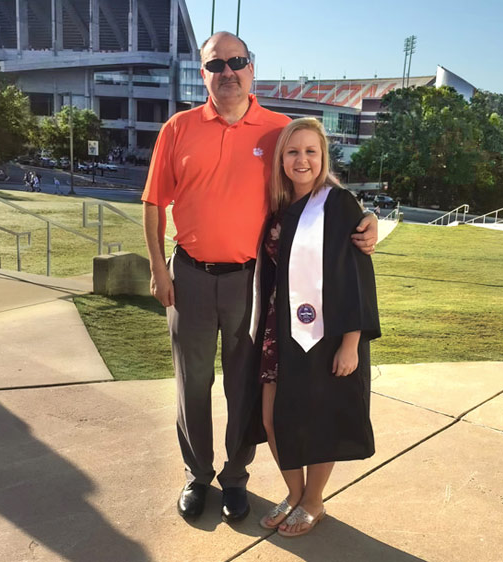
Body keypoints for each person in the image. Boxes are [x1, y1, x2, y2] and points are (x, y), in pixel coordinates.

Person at [141, 31, 379, 524]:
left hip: (251, 281)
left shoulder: (276, 129)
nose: (227, 72)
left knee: (244, 386)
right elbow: (152, 202)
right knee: (193, 383)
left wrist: (365, 214)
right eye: (215, 65)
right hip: (187, 273)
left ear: (252, 67)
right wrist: (157, 266)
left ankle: (235, 478)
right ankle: (198, 474)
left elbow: (313, 173)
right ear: (202, 72)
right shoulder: (178, 128)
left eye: (237, 62)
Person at [256, 118, 381, 537]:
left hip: (326, 335)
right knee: (275, 418)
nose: (302, 159)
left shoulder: (339, 204)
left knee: (319, 418)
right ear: (282, 159)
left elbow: (358, 276)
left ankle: (314, 500)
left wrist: (351, 344)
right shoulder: (278, 205)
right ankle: (294, 492)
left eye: (311, 151)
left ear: (323, 156)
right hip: (280, 330)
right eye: (293, 151)